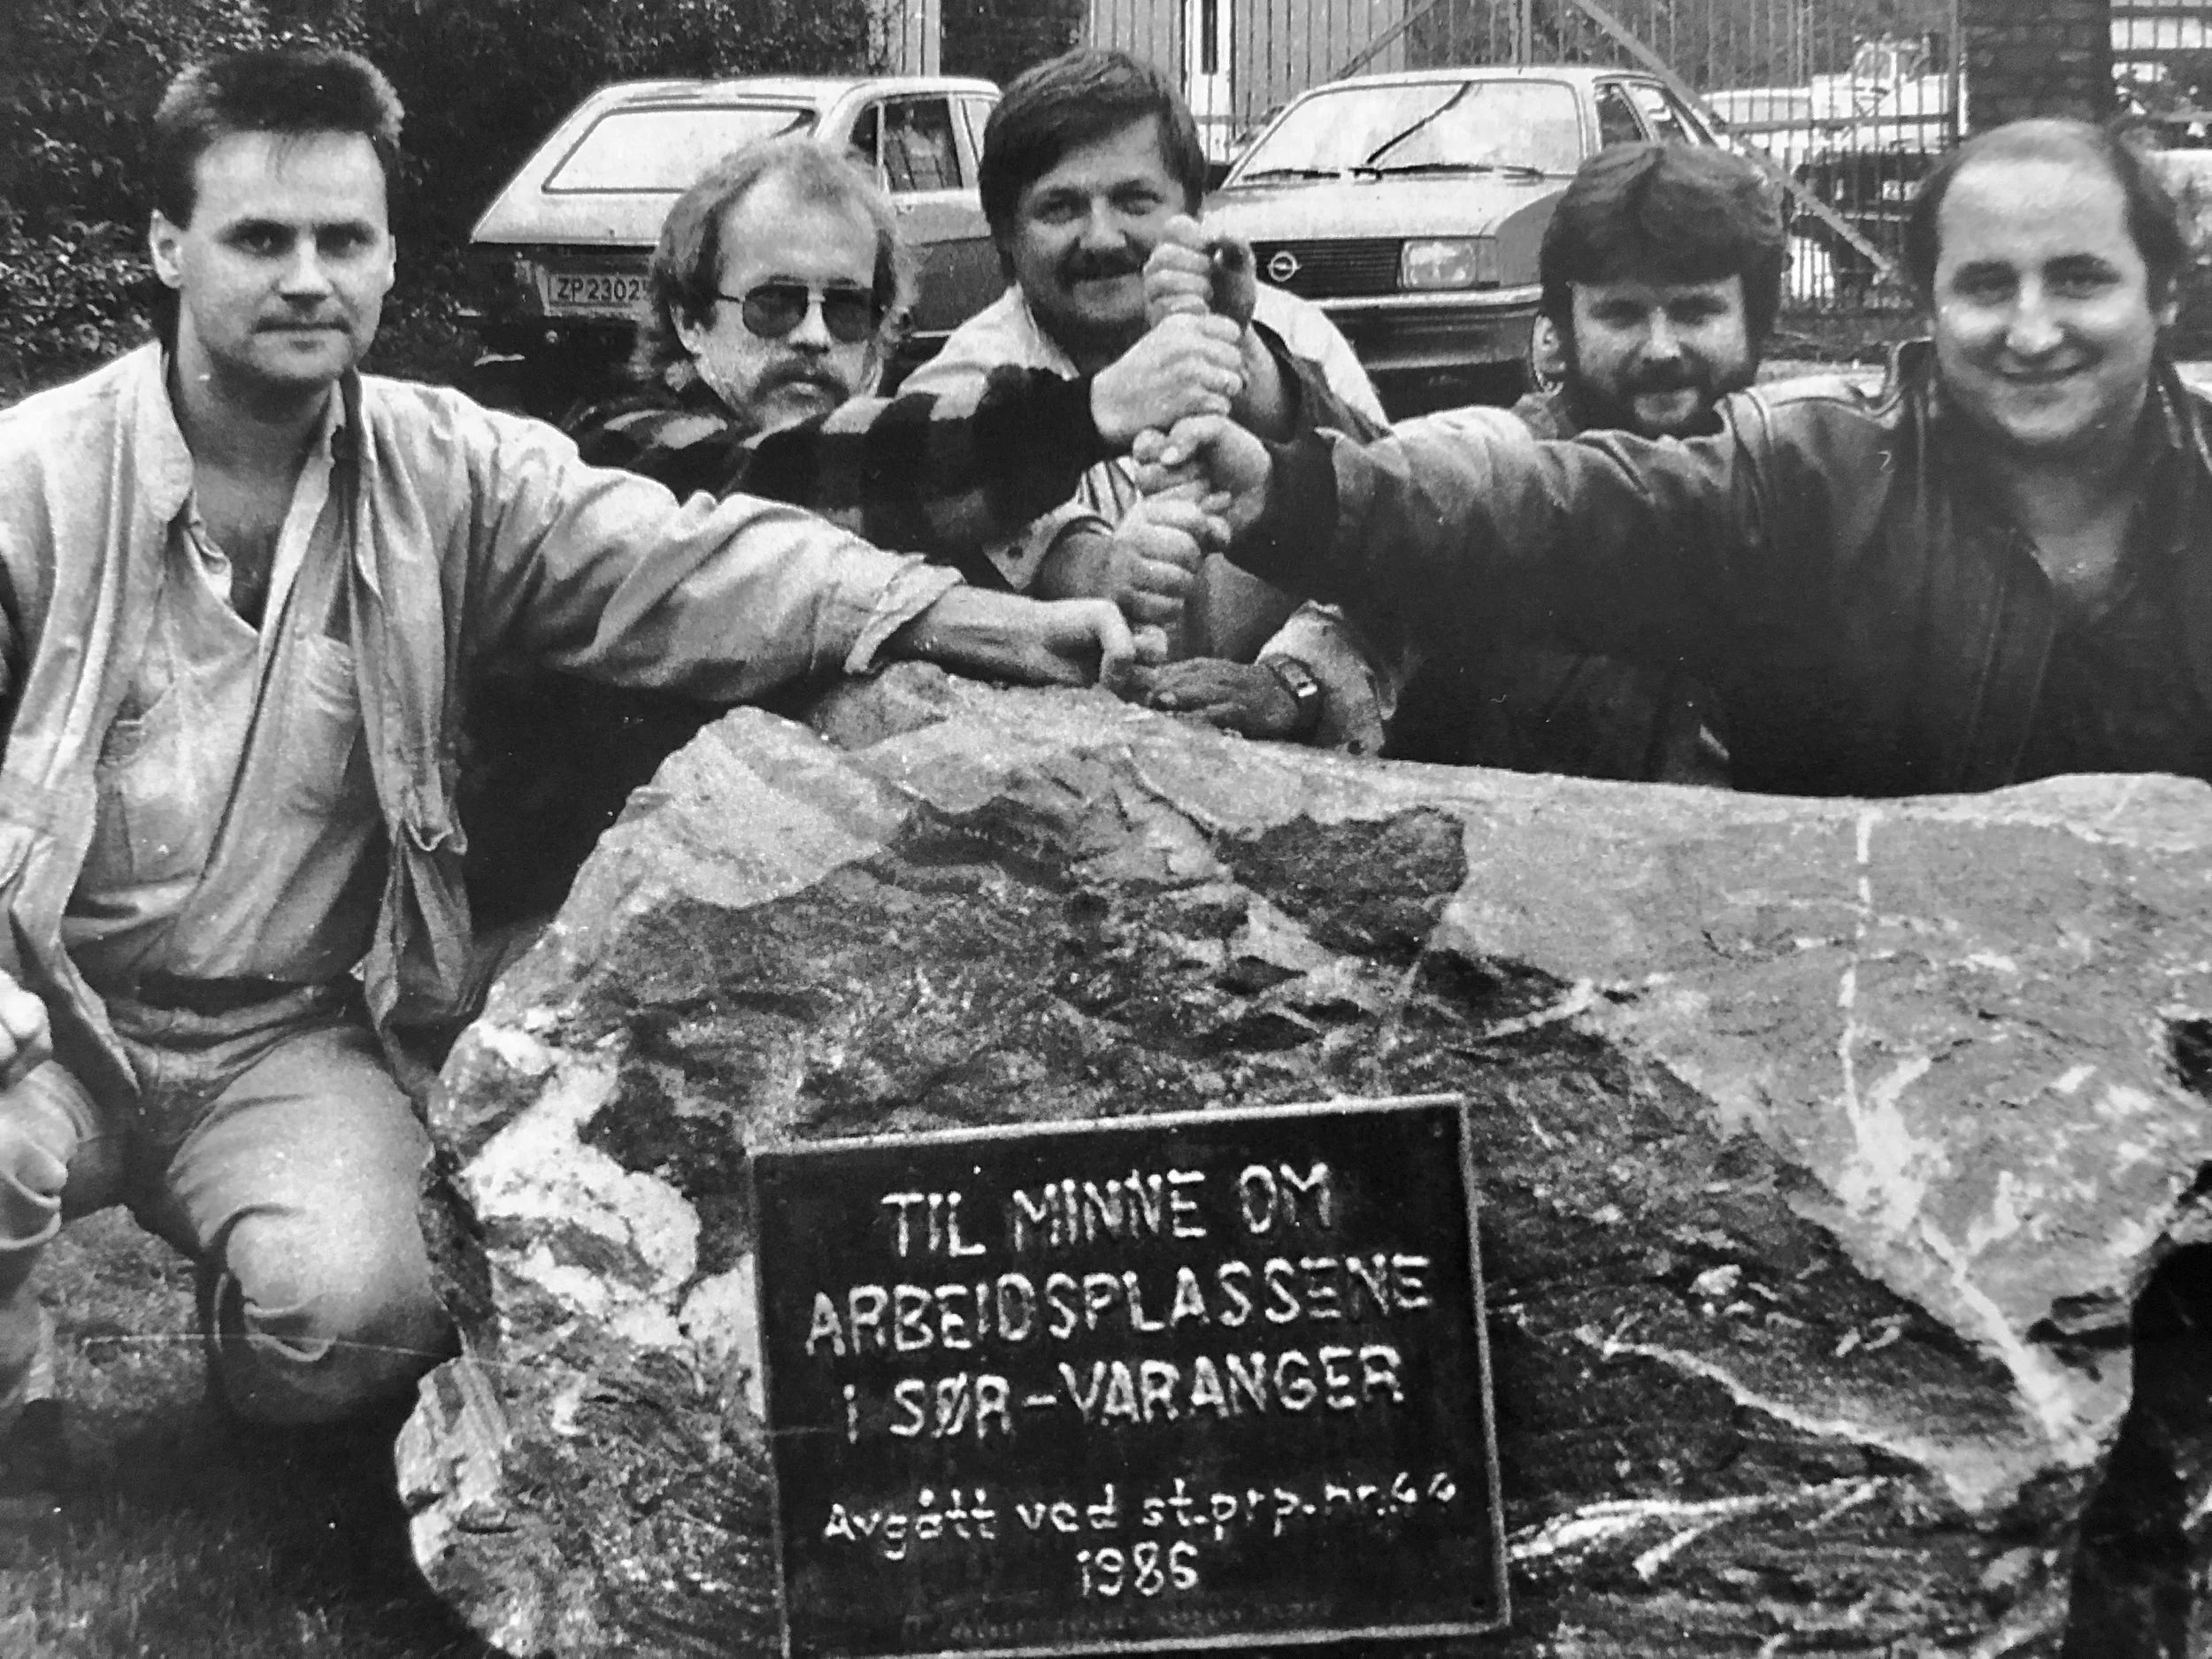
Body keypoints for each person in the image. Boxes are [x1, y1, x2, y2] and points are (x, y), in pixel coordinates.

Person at [0, 47, 1143, 1485]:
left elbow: (686, 557)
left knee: (373, 1308)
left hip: (284, 1036)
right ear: (169, 247)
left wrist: (961, 614)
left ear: (389, 257)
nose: (306, 278)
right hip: (42, 1007)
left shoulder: (447, 466)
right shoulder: (32, 481)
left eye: (343, 239)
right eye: (259, 237)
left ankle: (256, 1335)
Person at [1148, 118, 2210, 799]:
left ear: (2165, 293)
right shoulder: (1795, 472)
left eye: (2079, 280)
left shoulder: (1790, 462)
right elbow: (1465, 496)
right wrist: (1282, 475)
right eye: (1985, 286)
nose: (2031, 330)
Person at [465, 135, 1245, 924]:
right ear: (690, 322)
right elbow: (795, 480)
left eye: (844, 310)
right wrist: (1092, 411)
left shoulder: (876, 459)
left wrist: (1100, 567)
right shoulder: (618, 449)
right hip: (561, 934)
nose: (812, 336)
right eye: (774, 305)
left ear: (878, 341)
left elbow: (910, 487)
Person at [1141, 142, 1785, 781]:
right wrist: (1293, 684)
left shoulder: (1802, 473)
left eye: (1697, 311)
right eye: (1622, 315)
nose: (1661, 348)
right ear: (1559, 331)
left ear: (1757, 322)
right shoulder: (1511, 452)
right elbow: (1412, 504)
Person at [897, 47, 1388, 660]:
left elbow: (1401, 526)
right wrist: (1096, 567)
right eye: (1060, 207)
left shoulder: (1289, 331)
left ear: (1193, 211)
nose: (1102, 238)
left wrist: (1247, 365)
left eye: (1135, 201)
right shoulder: (962, 381)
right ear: (1004, 234)